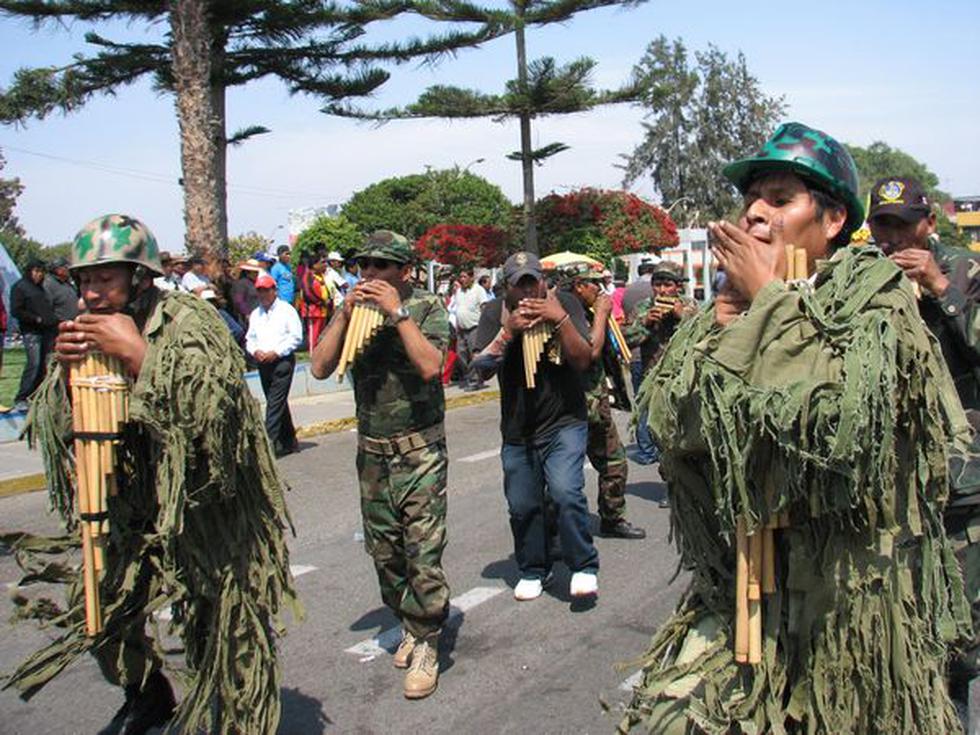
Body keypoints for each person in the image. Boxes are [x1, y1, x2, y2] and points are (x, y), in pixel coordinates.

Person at [620, 122, 973, 734]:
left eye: (781, 200)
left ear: (832, 220)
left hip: (848, 601)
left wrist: (775, 306)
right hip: (745, 590)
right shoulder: (730, 305)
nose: (755, 213)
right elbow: (673, 432)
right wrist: (726, 327)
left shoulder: (879, 298)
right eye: (752, 199)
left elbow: (844, 432)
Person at [4, 214, 297, 735]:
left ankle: (239, 720)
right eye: (84, 281)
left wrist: (139, 357)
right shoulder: (83, 327)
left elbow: (216, 418)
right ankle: (147, 694)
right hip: (130, 504)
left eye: (105, 279)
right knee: (100, 607)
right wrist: (66, 376)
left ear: (139, 278)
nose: (91, 295)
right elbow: (56, 431)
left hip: (207, 507)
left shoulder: (190, 320)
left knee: (226, 635)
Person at [310, 230, 450, 700]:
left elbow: (432, 367)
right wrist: (345, 314)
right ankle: (407, 620)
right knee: (385, 553)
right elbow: (319, 367)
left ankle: (428, 639)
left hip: (421, 451)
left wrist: (397, 314)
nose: (367, 275)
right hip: (372, 453)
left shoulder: (427, 307)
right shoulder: (353, 311)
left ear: (404, 273)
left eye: (380, 268)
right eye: (363, 267)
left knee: (422, 553)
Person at [867, 177, 980, 704]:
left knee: (956, 648)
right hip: (891, 494)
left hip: (961, 492)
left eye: (903, 225)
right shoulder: (864, 279)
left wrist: (940, 289)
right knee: (896, 643)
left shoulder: (965, 271)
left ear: (929, 225)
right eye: (881, 224)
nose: (891, 238)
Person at [472, 251, 601, 601]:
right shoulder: (492, 312)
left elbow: (584, 359)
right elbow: (480, 367)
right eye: (520, 285)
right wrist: (507, 332)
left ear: (543, 281)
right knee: (522, 505)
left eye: (533, 281)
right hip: (517, 429)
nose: (528, 292)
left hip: (564, 422)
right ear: (507, 288)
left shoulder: (567, 303)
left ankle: (583, 565)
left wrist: (559, 320)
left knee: (565, 492)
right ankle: (533, 569)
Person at [564, 264, 646, 539]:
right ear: (577, 285)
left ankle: (613, 518)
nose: (599, 289)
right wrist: (600, 314)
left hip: (597, 404)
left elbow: (618, 343)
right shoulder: (565, 313)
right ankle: (557, 532)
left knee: (615, 464)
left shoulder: (593, 312)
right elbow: (590, 349)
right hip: (570, 409)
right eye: (593, 283)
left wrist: (645, 323)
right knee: (564, 478)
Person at [624, 261, 698, 473]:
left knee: (683, 434)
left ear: (677, 286)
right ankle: (669, 479)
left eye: (667, 285)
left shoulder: (689, 304)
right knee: (660, 434)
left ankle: (684, 480)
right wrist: (645, 324)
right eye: (657, 285)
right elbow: (627, 340)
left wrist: (681, 316)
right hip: (654, 380)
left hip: (683, 380)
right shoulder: (643, 308)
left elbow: (701, 335)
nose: (662, 290)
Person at [246, 274, 302, 458]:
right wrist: (255, 351)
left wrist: (277, 352)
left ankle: (269, 442)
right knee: (276, 400)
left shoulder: (286, 310)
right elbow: (250, 338)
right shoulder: (256, 314)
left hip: (282, 361)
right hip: (263, 363)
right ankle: (289, 440)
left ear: (274, 290)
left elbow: (295, 337)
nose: (263, 295)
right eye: (260, 291)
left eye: (266, 290)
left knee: (274, 402)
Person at [10, 258, 58, 411]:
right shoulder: (20, 287)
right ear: (29, 271)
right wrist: (35, 318)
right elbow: (16, 310)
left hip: (47, 331)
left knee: (45, 365)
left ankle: (37, 396)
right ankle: (21, 397)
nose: (39, 275)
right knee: (34, 364)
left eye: (41, 272)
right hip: (32, 331)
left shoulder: (40, 288)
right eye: (36, 271)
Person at [450, 268, 490, 391]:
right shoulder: (459, 292)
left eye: (464, 277)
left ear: (471, 278)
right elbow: (458, 309)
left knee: (475, 354)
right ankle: (470, 375)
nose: (462, 280)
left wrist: (485, 327)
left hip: (474, 327)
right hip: (461, 329)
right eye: (460, 277)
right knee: (460, 355)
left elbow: (484, 308)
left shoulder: (479, 290)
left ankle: (476, 379)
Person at [298, 254, 334, 349]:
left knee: (320, 336)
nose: (325, 265)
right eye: (322, 262)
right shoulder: (308, 276)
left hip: (322, 311)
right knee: (313, 336)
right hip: (312, 312)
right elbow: (308, 293)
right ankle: (313, 357)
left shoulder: (320, 276)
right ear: (314, 265)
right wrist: (321, 302)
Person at [43, 257, 80, 323]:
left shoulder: (67, 282)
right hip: (63, 325)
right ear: (58, 270)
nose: (69, 269)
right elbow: (47, 309)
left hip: (76, 322)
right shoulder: (48, 285)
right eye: (66, 267)